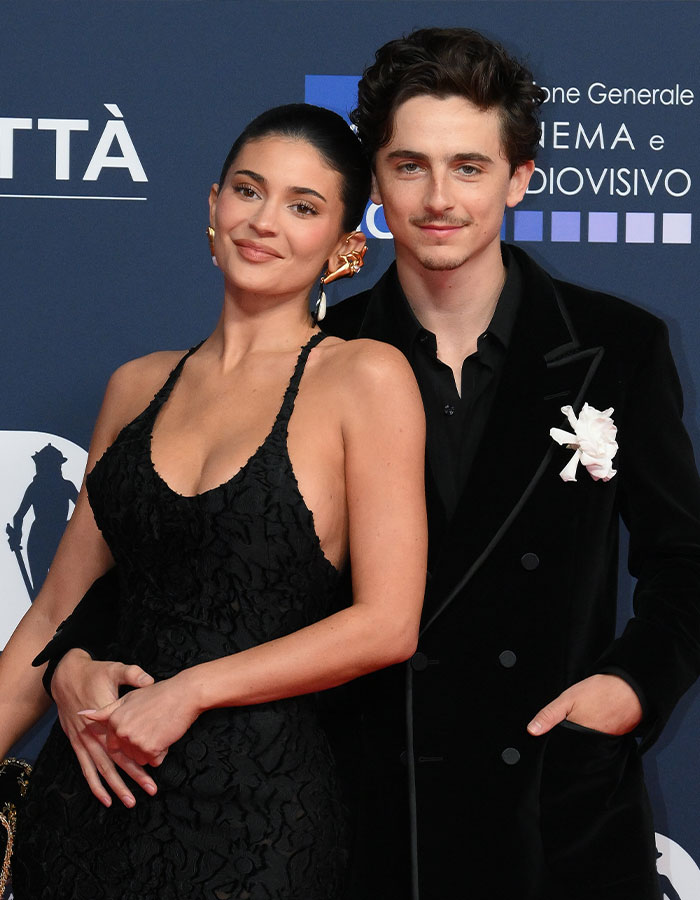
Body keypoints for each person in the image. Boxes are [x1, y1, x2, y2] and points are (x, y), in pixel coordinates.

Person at [0, 103, 427, 899]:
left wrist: (190, 690)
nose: (265, 222)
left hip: (258, 817)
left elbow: (387, 623)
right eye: (248, 191)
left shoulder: (362, 378)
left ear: (344, 246)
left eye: (303, 207)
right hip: (90, 795)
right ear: (212, 205)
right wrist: (71, 664)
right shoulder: (136, 385)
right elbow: (56, 605)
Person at [318, 27, 700, 900]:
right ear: (375, 181)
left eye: (469, 166)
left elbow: (687, 562)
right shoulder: (318, 355)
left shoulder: (617, 347)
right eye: (410, 166)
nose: (439, 197)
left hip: (552, 809)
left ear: (519, 179)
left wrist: (628, 690)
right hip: (369, 816)